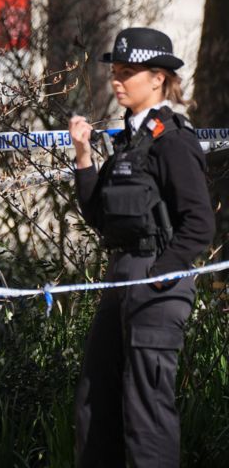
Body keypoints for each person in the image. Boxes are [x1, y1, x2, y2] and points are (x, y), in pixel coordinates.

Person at [69, 27, 215, 467]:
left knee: (146, 410)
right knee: (94, 403)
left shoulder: (173, 140)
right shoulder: (130, 141)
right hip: (121, 275)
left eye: (127, 72)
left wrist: (158, 277)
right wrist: (83, 158)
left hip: (156, 280)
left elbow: (199, 224)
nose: (117, 81)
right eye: (115, 71)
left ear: (157, 78)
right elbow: (98, 215)